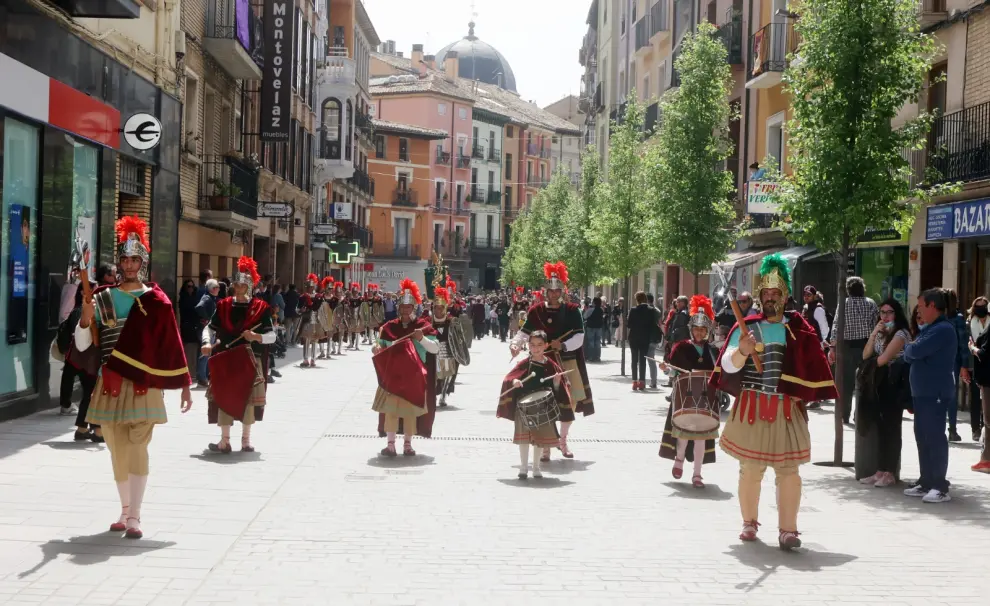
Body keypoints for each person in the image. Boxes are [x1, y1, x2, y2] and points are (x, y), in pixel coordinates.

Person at [74, 216, 193, 539]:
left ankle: (136, 516)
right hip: (109, 379)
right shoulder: (102, 297)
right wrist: (85, 316)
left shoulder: (157, 302)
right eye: (124, 259)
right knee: (116, 447)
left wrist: (184, 385)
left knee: (138, 446)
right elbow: (84, 343)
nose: (128, 264)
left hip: (144, 383)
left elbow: (172, 346)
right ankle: (124, 509)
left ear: (143, 262)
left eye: (134, 259)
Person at [710, 254, 836, 550]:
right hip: (752, 406)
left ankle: (788, 530)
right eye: (765, 293)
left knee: (789, 471)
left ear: (786, 295)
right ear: (758, 296)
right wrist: (741, 350)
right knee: (750, 469)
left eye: (775, 293)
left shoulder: (799, 328)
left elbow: (812, 365)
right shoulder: (747, 326)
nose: (769, 298)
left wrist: (801, 391)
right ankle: (749, 522)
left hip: (786, 408)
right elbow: (727, 365)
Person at [510, 262, 595, 460]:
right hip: (541, 362)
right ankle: (545, 444)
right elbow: (524, 333)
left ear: (562, 291)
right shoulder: (536, 311)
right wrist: (515, 345)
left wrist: (562, 345)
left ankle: (563, 441)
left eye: (557, 290)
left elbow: (579, 337)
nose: (554, 294)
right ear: (545, 291)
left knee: (570, 402)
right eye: (551, 291)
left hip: (566, 362)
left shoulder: (573, 311)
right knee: (540, 402)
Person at [201, 256, 275, 453]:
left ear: (250, 285)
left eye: (243, 284)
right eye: (236, 284)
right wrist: (207, 342)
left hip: (250, 360)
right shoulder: (223, 305)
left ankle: (246, 440)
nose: (239, 288)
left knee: (248, 400)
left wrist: (255, 336)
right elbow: (209, 328)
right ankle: (224, 441)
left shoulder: (261, 308)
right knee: (224, 397)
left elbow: (272, 336)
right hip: (226, 358)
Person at [372, 278, 440, 456]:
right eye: (402, 307)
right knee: (391, 411)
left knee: (411, 412)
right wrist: (377, 348)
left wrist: (421, 339)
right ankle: (391, 444)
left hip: (414, 376)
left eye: (408, 307)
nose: (405, 311)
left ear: (414, 308)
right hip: (393, 375)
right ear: (398, 308)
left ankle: (408, 444)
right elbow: (380, 346)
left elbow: (435, 348)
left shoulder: (422, 327)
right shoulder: (389, 327)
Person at [902, 288, 957, 504]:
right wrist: (912, 350)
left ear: (933, 306)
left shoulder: (943, 329)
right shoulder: (930, 328)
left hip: (934, 393)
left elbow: (913, 351)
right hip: (922, 393)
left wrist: (911, 349)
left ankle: (939, 486)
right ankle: (926, 481)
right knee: (923, 437)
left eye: (922, 306)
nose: (920, 311)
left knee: (934, 438)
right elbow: (912, 352)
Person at [659, 295, 719, 488]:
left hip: (705, 398)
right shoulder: (681, 347)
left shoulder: (712, 351)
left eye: (703, 330)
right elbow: (673, 370)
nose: (700, 333)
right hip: (685, 396)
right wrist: (667, 369)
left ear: (707, 331)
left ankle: (697, 474)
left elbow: (719, 371)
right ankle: (679, 459)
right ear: (691, 330)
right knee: (684, 433)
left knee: (701, 436)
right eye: (697, 329)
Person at [498, 330, 568, 479]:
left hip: (542, 407)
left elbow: (558, 389)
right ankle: (524, 467)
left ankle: (536, 467)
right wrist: (515, 382)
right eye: (532, 345)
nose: (536, 348)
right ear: (528, 346)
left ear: (546, 346)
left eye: (539, 345)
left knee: (538, 439)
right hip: (524, 407)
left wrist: (556, 382)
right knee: (524, 439)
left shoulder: (551, 364)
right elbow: (509, 378)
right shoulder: (525, 363)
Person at [858, 299, 912, 488]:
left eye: (889, 312)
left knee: (892, 428)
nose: (885, 316)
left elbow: (882, 359)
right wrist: (874, 333)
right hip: (880, 384)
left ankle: (890, 471)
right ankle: (880, 470)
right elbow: (866, 355)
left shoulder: (901, 334)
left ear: (897, 314)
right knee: (881, 427)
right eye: (882, 312)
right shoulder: (881, 332)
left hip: (894, 384)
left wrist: (869, 365)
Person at [828, 277, 880, 424]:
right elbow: (875, 326)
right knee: (864, 382)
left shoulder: (843, 304)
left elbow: (836, 326)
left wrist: (832, 347)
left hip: (845, 347)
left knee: (846, 384)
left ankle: (844, 415)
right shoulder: (871, 303)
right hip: (865, 347)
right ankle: (859, 414)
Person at [430, 285, 470, 407]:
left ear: (445, 307)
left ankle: (443, 396)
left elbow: (460, 337)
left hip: (449, 350)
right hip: (434, 351)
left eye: (441, 308)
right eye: (436, 308)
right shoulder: (428, 321)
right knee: (435, 375)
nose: (438, 310)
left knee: (448, 375)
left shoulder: (452, 321)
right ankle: (433, 395)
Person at [964, 296, 990, 473]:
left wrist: (972, 348)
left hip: (987, 376)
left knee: (988, 420)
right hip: (981, 374)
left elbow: (984, 352)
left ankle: (986, 460)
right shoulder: (969, 323)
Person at [944, 289, 969, 442]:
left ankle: (946, 428)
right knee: (951, 395)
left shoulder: (939, 318)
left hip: (939, 360)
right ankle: (952, 429)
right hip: (953, 360)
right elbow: (963, 344)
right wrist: (964, 365)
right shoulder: (957, 319)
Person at [626, 291, 654, 391]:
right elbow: (652, 325)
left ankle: (634, 382)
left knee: (634, 360)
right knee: (643, 359)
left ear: (637, 299)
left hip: (634, 337)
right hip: (645, 337)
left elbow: (629, 325)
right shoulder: (650, 310)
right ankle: (642, 382)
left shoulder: (633, 310)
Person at [195, 279, 220, 387]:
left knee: (207, 353)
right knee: (205, 354)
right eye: (217, 287)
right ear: (213, 289)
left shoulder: (211, 298)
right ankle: (202, 378)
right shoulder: (207, 297)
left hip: (210, 329)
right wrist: (207, 318)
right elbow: (199, 307)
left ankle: (205, 376)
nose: (219, 289)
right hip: (206, 329)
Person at [297, 275, 322, 367]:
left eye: (312, 286)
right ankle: (305, 359)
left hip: (316, 320)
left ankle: (313, 359)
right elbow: (298, 308)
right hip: (306, 320)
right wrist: (301, 310)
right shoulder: (303, 297)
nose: (310, 288)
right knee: (306, 340)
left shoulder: (318, 296)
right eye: (309, 287)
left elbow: (320, 308)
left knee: (315, 340)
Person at [645, 294, 664, 389]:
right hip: (655, 337)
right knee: (651, 359)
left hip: (648, 337)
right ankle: (653, 381)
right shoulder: (657, 310)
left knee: (647, 360)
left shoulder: (646, 310)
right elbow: (660, 324)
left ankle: (648, 381)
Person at [583, 296, 605, 363]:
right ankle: (597, 357)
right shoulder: (601, 310)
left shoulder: (591, 309)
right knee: (598, 342)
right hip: (599, 327)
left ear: (594, 303)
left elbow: (584, 316)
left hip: (591, 327)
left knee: (591, 342)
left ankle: (591, 357)